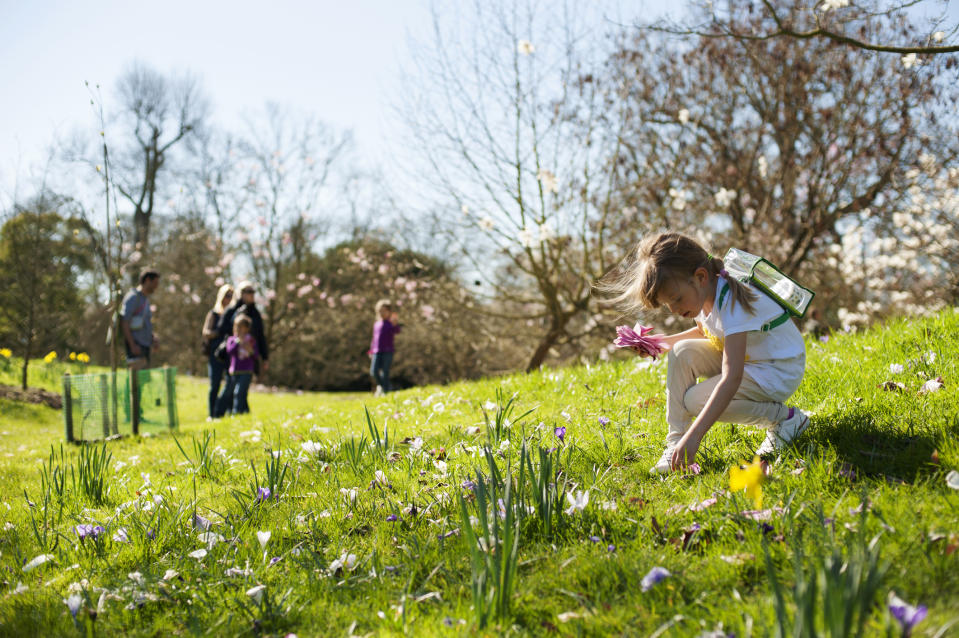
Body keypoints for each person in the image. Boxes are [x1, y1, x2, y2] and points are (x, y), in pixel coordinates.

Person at [605, 232, 809, 474]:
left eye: (677, 299)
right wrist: (659, 343)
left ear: (700, 277)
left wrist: (696, 436)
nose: (674, 309)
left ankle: (785, 419)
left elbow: (731, 378)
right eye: (668, 305)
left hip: (778, 370)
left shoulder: (731, 300)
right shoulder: (706, 293)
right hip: (754, 361)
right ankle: (675, 444)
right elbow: (707, 332)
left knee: (695, 401)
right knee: (681, 352)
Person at [215, 281, 269, 415]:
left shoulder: (255, 314)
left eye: (253, 292)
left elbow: (261, 336)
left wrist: (265, 357)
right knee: (230, 388)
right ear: (241, 293)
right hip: (232, 358)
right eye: (248, 292)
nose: (251, 295)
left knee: (241, 389)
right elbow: (222, 330)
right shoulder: (231, 310)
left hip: (248, 358)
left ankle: (239, 413)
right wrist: (237, 339)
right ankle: (219, 414)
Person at [215, 314, 259, 416]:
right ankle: (243, 412)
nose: (239, 329)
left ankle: (237, 413)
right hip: (235, 370)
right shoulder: (232, 339)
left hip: (247, 370)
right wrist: (238, 342)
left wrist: (250, 350)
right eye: (237, 326)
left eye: (242, 327)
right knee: (231, 393)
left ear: (247, 328)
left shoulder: (251, 340)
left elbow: (255, 355)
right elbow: (230, 351)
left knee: (239, 392)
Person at [201, 284, 233, 420]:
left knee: (231, 382)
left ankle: (226, 411)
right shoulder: (214, 313)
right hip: (215, 353)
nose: (229, 298)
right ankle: (211, 414)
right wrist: (218, 333)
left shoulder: (233, 314)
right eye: (227, 295)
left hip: (229, 352)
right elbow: (205, 332)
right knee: (215, 384)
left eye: (231, 296)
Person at [121, 269, 160, 369]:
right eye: (155, 283)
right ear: (147, 280)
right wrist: (132, 345)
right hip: (136, 346)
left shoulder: (145, 300)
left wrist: (152, 338)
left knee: (143, 380)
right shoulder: (133, 297)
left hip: (145, 346)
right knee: (135, 381)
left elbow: (143, 323)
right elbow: (125, 322)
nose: (157, 286)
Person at [369, 299, 401, 394]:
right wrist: (371, 351)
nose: (382, 313)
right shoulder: (377, 324)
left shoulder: (390, 324)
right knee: (373, 371)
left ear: (389, 312)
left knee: (385, 372)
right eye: (380, 311)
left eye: (384, 311)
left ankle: (386, 391)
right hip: (376, 351)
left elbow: (397, 331)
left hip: (388, 351)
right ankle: (382, 386)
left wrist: (395, 324)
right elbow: (374, 339)